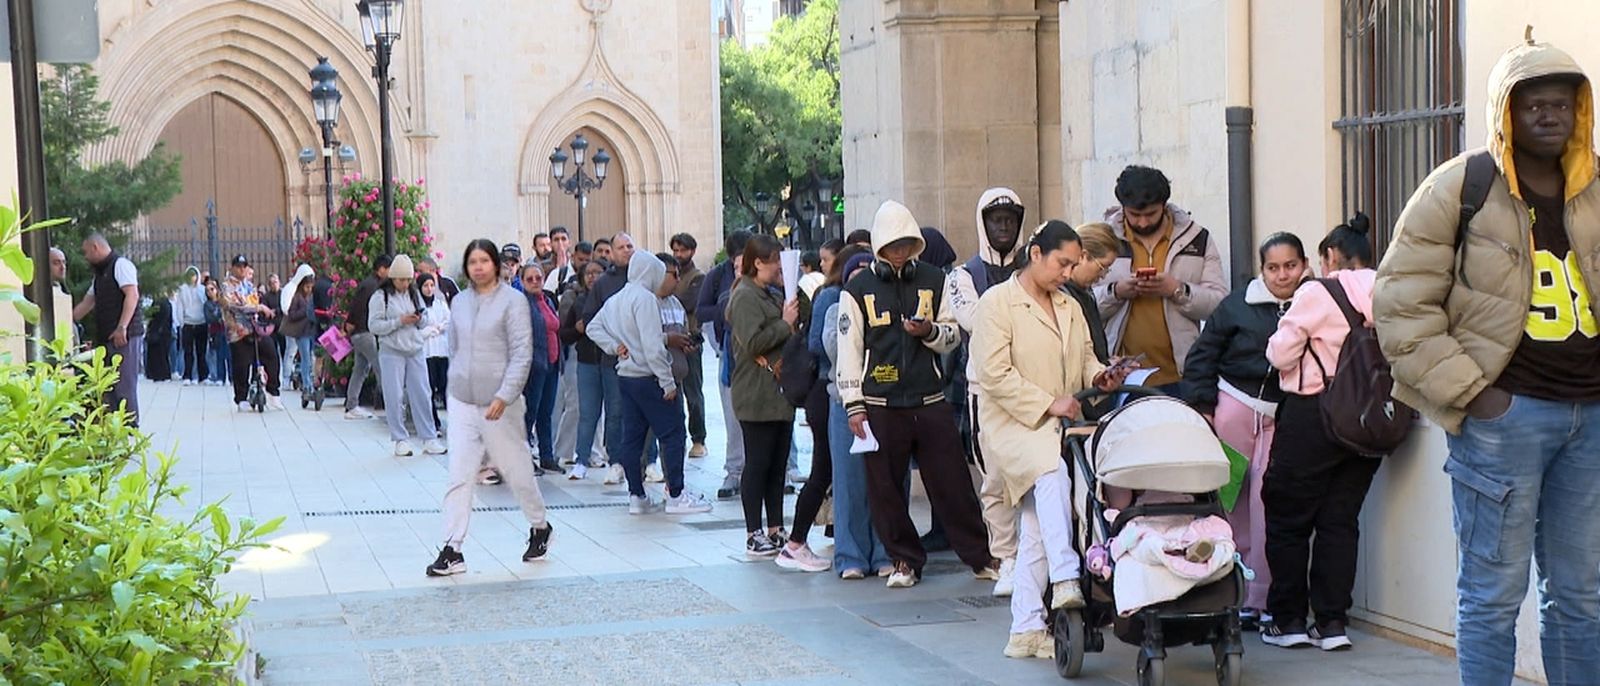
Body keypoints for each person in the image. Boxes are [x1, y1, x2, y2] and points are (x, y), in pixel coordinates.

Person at [1375, 33, 1600, 685]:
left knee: (1582, 599)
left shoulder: (1593, 187)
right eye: (1534, 105)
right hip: (1503, 421)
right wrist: (1475, 395)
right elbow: (1400, 304)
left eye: (1562, 104)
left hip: (1589, 422)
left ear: (1578, 112)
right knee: (1492, 599)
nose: (1549, 116)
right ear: (1507, 111)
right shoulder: (1461, 185)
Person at [970, 220, 1131, 659]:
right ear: (1036, 253)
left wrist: (1103, 376)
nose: (1067, 272)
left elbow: (1084, 362)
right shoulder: (996, 303)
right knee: (1052, 473)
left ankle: (1025, 628)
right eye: (1063, 263)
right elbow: (994, 375)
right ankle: (1064, 577)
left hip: (1053, 423)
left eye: (1074, 265)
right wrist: (1049, 403)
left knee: (1039, 524)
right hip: (1011, 425)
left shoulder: (1068, 305)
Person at [837, 200, 1000, 588]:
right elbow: (849, 349)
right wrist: (853, 406)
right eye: (893, 245)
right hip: (879, 403)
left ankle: (979, 556)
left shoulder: (934, 279)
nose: (899, 251)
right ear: (879, 246)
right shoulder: (857, 288)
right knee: (885, 489)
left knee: (954, 483)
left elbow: (953, 335)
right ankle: (904, 561)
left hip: (929, 400)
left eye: (906, 243)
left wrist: (927, 332)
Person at [1258, 215, 1378, 651]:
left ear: (1329, 257)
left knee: (1288, 518)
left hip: (1314, 412)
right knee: (1339, 522)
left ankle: (1288, 620)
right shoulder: (1390, 286)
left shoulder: (1318, 291)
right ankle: (1331, 624)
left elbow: (1280, 351)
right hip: (1369, 419)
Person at [1182, 232, 1309, 626]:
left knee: (1267, 503)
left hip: (1282, 414)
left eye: (1290, 266)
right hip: (1233, 409)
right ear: (1261, 270)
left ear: (1304, 266)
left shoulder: (1314, 302)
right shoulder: (1236, 305)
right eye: (1273, 268)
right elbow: (1202, 355)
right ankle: (1230, 593)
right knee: (1230, 499)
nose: (1282, 275)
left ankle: (1263, 597)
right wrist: (1204, 406)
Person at [427, 239, 554, 577]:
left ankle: (539, 526)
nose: (479, 267)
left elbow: (522, 352)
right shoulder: (460, 303)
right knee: (459, 476)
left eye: (485, 260)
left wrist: (505, 395)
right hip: (463, 402)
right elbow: (454, 347)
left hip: (501, 403)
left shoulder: (513, 302)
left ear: (496, 265)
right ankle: (452, 548)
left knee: (516, 472)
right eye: (473, 261)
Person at [588, 252, 714, 515]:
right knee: (673, 433)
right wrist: (667, 382)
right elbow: (653, 345)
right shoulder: (645, 299)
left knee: (632, 438)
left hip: (627, 376)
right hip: (650, 377)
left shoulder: (617, 299)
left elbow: (593, 327)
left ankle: (636, 496)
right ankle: (677, 495)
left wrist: (614, 347)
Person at [946, 187, 1026, 596]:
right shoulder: (963, 276)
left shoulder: (1034, 265)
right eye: (996, 220)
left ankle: (1030, 556)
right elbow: (973, 320)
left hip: (1030, 385)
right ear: (983, 224)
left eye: (1010, 220)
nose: (1003, 227)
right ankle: (1006, 557)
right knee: (994, 477)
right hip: (985, 389)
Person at [1094, 165, 1229, 394]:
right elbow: (1079, 305)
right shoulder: (1102, 239)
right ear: (1122, 207)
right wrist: (1116, 292)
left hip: (1183, 374)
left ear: (1164, 206)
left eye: (1151, 214)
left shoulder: (1197, 238)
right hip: (1119, 377)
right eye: (1135, 215)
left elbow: (1219, 305)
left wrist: (1176, 290)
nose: (1143, 223)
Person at [816, 248, 892, 578]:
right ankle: (850, 555)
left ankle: (885, 550)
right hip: (844, 402)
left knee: (886, 481)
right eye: (854, 276)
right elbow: (833, 348)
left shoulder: (888, 306)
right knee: (849, 482)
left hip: (883, 402)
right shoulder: (836, 309)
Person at [726, 235, 800, 557]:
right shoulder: (744, 296)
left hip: (778, 392)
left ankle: (775, 527)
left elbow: (801, 314)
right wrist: (784, 324)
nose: (777, 268)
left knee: (777, 464)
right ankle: (753, 531)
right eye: (775, 262)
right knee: (757, 464)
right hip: (756, 392)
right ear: (758, 263)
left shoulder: (768, 293)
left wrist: (792, 286)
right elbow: (753, 342)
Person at [370, 255, 446, 456]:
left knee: (422, 393)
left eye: (408, 280)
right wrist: (399, 321)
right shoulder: (381, 297)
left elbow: (425, 320)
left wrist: (419, 319)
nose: (405, 284)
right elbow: (374, 325)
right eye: (401, 280)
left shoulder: (414, 294)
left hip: (415, 348)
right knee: (394, 395)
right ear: (393, 278)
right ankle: (400, 439)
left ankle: (429, 437)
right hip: (391, 351)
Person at [696, 230, 752, 499]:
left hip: (761, 356)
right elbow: (701, 310)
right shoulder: (718, 276)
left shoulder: (765, 277)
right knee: (732, 417)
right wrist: (726, 308)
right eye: (736, 261)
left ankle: (781, 468)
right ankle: (735, 471)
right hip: (730, 354)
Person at [71, 234, 144, 423]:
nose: (85, 257)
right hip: (108, 337)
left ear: (96, 247)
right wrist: (67, 319)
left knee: (124, 385)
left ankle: (129, 428)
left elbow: (132, 295)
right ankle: (114, 430)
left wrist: (122, 327)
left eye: (86, 252)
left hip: (123, 336)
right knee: (110, 386)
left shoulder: (121, 266)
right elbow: (88, 303)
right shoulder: (100, 276)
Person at [560, 259, 611, 479]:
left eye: (597, 272)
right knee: (587, 413)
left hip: (611, 362)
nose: (592, 277)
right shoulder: (579, 301)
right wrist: (577, 330)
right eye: (588, 273)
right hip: (587, 362)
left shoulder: (613, 300)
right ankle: (581, 459)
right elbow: (565, 333)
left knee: (614, 413)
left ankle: (615, 459)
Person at [219, 254, 284, 411]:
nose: (242, 269)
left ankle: (272, 392)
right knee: (242, 364)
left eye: (244, 266)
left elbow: (254, 300)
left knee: (271, 354)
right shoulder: (227, 286)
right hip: (238, 331)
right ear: (232, 267)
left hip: (255, 329)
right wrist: (258, 308)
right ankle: (241, 398)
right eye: (239, 266)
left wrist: (259, 308)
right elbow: (234, 305)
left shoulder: (248, 285)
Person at [668, 233, 709, 459]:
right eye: (675, 250)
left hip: (690, 339)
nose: (678, 254)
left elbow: (687, 303)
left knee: (693, 392)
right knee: (672, 391)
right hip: (670, 343)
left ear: (692, 251)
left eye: (682, 250)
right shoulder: (670, 276)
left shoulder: (698, 277)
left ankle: (698, 438)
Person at [520, 263, 563, 474]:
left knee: (546, 413)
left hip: (552, 364)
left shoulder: (547, 300)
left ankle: (547, 456)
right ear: (522, 281)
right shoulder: (522, 304)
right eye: (530, 279)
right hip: (534, 366)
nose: (535, 282)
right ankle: (525, 458)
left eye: (538, 278)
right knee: (530, 413)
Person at [344, 255, 391, 419]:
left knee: (360, 369)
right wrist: (349, 324)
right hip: (365, 332)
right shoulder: (372, 286)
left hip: (360, 333)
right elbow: (357, 306)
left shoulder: (371, 284)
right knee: (380, 367)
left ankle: (352, 405)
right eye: (389, 269)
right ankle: (392, 406)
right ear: (382, 269)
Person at [417, 273, 451, 428]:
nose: (429, 289)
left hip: (441, 351)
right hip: (426, 353)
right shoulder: (417, 306)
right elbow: (417, 329)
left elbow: (449, 320)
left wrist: (440, 327)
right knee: (429, 388)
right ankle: (433, 423)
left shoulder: (440, 303)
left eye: (431, 285)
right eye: (425, 286)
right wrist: (428, 331)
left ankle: (453, 422)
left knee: (445, 386)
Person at [280, 266, 318, 394]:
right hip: (301, 333)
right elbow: (291, 314)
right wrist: (305, 311)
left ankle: (309, 382)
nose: (309, 289)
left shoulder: (310, 297)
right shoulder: (297, 297)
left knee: (310, 358)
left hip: (310, 330)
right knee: (305, 358)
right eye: (307, 287)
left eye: (311, 287)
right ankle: (307, 385)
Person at [175, 266, 209, 385]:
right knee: (188, 352)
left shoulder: (202, 289)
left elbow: (206, 304)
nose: (192, 278)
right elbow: (179, 307)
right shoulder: (182, 289)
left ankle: (203, 376)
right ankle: (187, 376)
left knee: (201, 351)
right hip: (188, 324)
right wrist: (181, 322)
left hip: (201, 323)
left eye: (194, 275)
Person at [204, 281, 230, 386]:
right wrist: (218, 317)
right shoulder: (207, 304)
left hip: (226, 330)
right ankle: (220, 377)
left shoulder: (222, 302)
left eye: (212, 289)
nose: (210, 292)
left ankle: (231, 376)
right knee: (218, 354)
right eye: (207, 290)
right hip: (216, 331)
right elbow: (209, 318)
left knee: (229, 355)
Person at [144, 296, 174, 382]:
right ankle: (160, 374)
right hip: (162, 332)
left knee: (160, 354)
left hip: (160, 332)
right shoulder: (164, 303)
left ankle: (160, 374)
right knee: (161, 355)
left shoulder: (162, 303)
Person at [543, 227, 576, 294]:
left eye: (563, 239)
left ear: (569, 243)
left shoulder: (576, 262)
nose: (560, 243)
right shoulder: (543, 267)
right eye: (556, 240)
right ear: (551, 244)